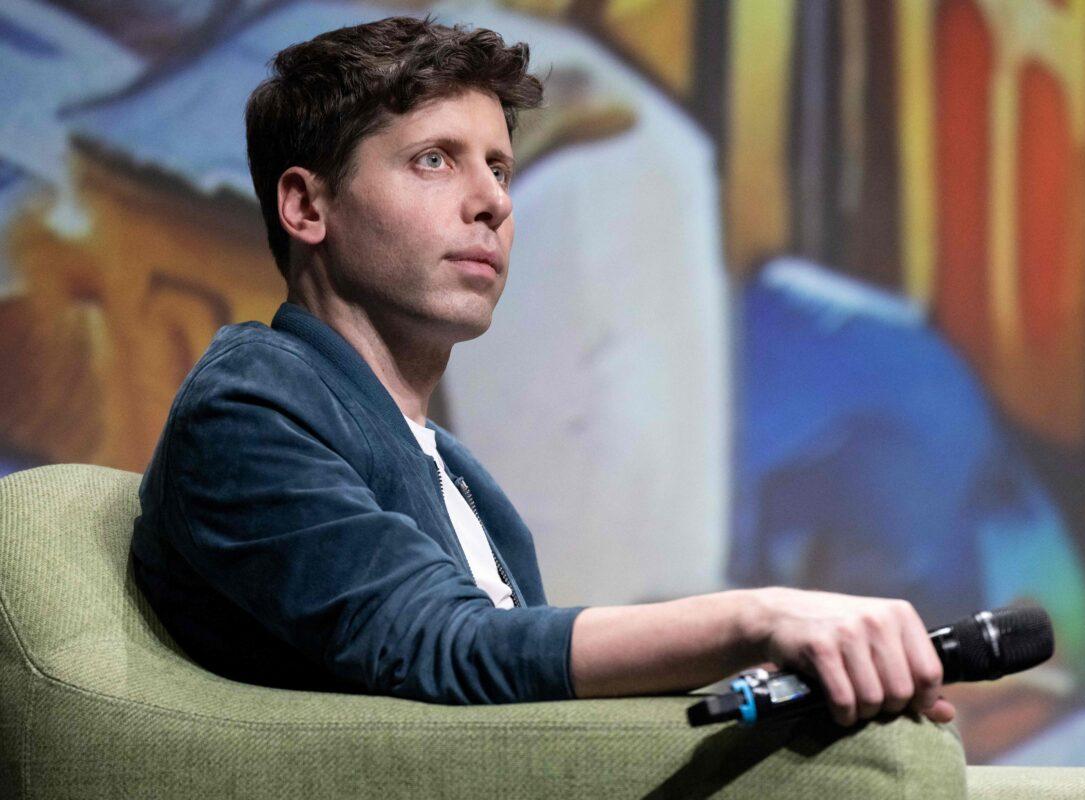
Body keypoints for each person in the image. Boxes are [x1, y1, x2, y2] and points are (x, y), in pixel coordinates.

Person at [131, 15, 955, 728]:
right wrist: (759, 614)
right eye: (434, 161)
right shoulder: (250, 402)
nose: (492, 201)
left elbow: (522, 711)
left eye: (499, 167)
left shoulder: (462, 477)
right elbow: (440, 651)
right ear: (306, 207)